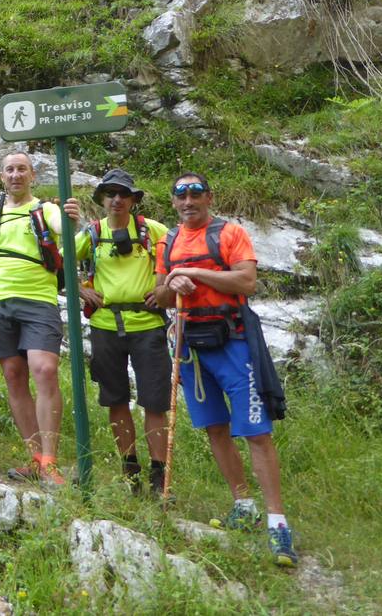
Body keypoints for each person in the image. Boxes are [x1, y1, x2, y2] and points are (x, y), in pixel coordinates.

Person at [154, 172, 297, 567]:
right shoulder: (167, 241)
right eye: (181, 196)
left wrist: (195, 274)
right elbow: (159, 295)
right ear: (173, 203)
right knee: (215, 428)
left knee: (256, 431)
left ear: (208, 198)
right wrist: (172, 282)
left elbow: (247, 281)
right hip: (190, 349)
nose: (189, 201)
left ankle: (278, 523)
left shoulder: (229, 233)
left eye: (196, 194)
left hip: (233, 344)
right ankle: (243, 504)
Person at [0, 152, 81, 484]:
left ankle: (49, 460)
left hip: (39, 300)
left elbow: (65, 228)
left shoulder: (46, 210)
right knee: (14, 376)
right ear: (1, 177)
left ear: (32, 175)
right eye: (10, 170)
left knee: (44, 370)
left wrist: (72, 218)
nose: (16, 175)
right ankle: (36, 459)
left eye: (22, 169)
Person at [75, 168, 170, 494]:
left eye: (123, 194)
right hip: (105, 325)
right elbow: (57, 263)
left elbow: (178, 257)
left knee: (154, 402)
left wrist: (164, 288)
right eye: (111, 193)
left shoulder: (153, 231)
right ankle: (130, 469)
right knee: (115, 399)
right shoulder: (90, 234)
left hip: (149, 324)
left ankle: (159, 475)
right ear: (102, 198)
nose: (117, 200)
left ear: (133, 200)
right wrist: (80, 289)